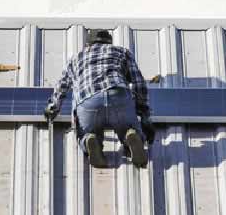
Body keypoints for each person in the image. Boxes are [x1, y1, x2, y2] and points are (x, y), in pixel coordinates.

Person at [44, 29, 154, 168]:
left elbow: (62, 85)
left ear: (88, 44)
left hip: (89, 100)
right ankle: (131, 136)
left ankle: (91, 139)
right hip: (118, 95)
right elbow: (139, 83)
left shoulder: (76, 58)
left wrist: (53, 107)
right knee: (129, 127)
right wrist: (144, 114)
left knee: (86, 133)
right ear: (109, 42)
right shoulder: (122, 52)